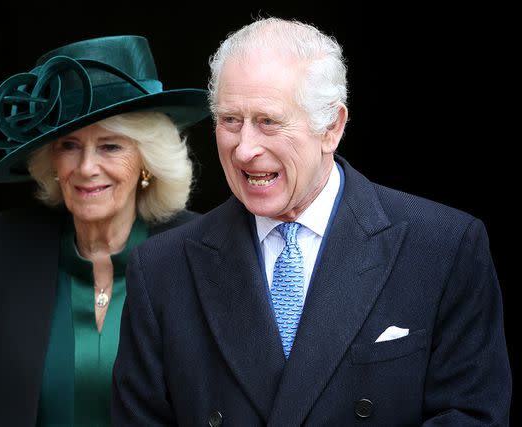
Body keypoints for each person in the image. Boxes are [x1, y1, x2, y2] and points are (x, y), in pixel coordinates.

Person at [111, 17, 511, 426]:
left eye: (268, 121)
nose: (244, 149)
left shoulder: (443, 248)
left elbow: (470, 416)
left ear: (331, 128)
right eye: (230, 120)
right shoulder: (161, 269)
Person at [0, 35, 209, 427]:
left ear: (147, 160)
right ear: (51, 159)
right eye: (69, 145)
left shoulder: (200, 252)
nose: (86, 167)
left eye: (110, 146)